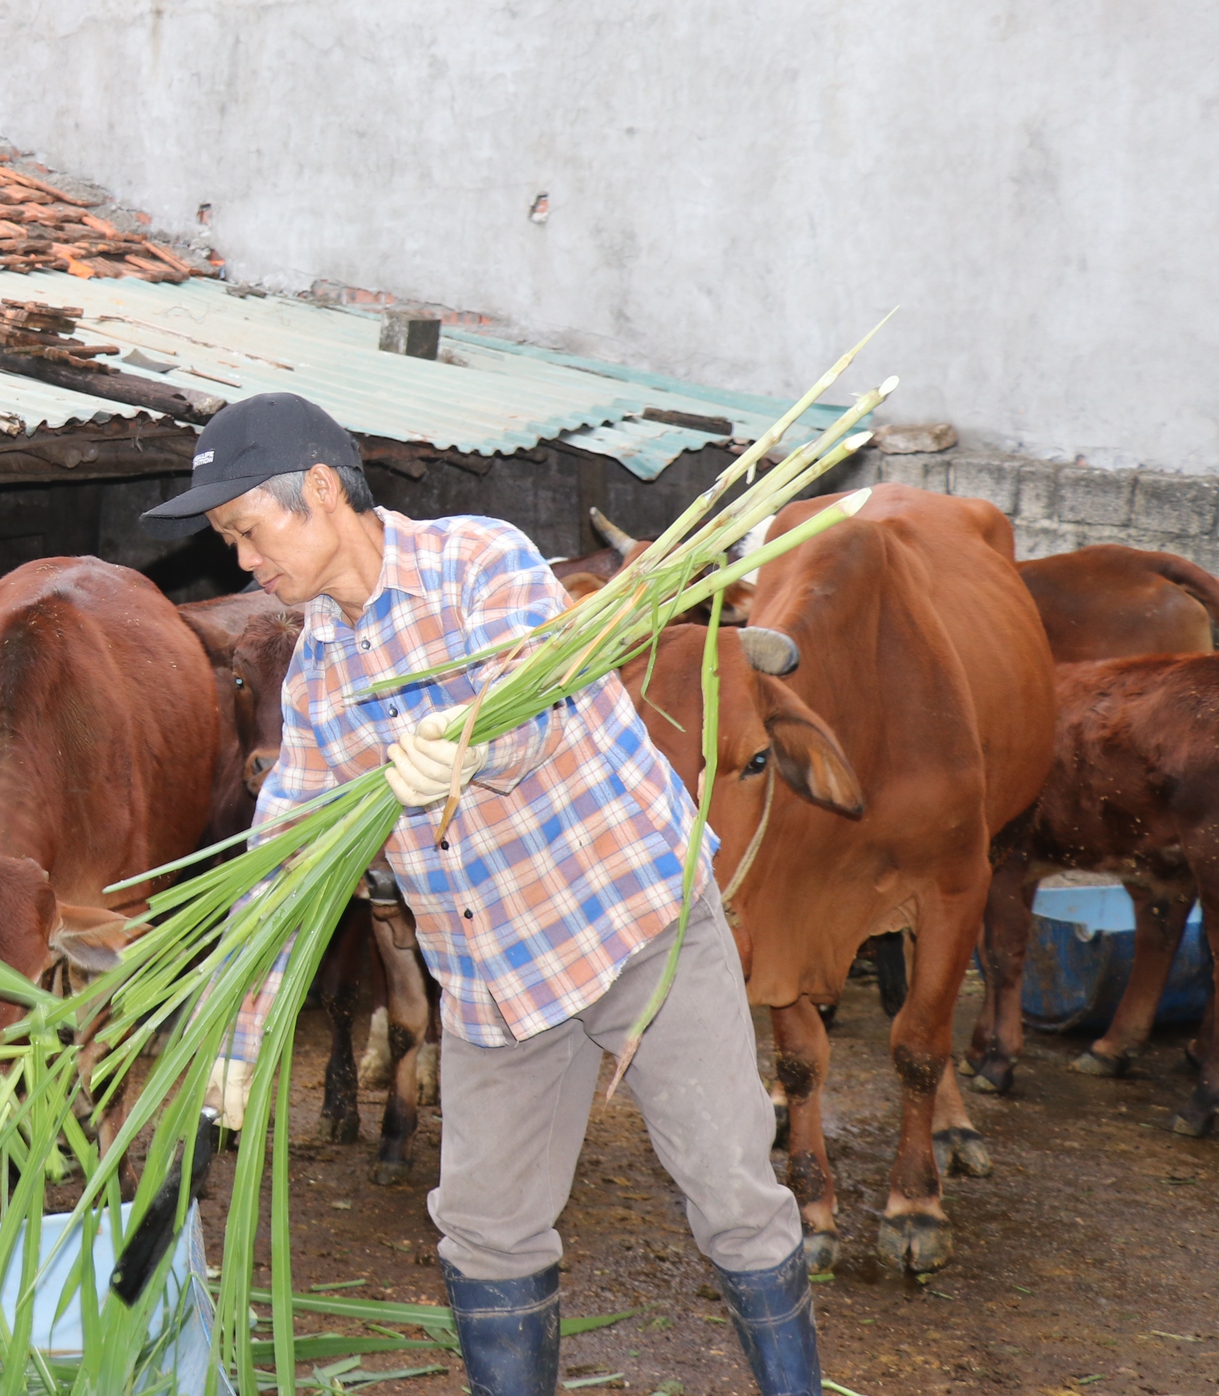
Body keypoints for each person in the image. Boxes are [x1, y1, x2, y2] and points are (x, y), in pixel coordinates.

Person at [142, 392, 821, 1396]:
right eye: (228, 540)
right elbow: (281, 866)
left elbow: (532, 707)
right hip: (495, 976)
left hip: (635, 928)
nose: (241, 561)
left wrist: (466, 747)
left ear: (320, 492)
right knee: (484, 1233)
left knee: (731, 1195)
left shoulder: (481, 560)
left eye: (245, 530)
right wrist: (229, 1054)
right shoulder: (321, 678)